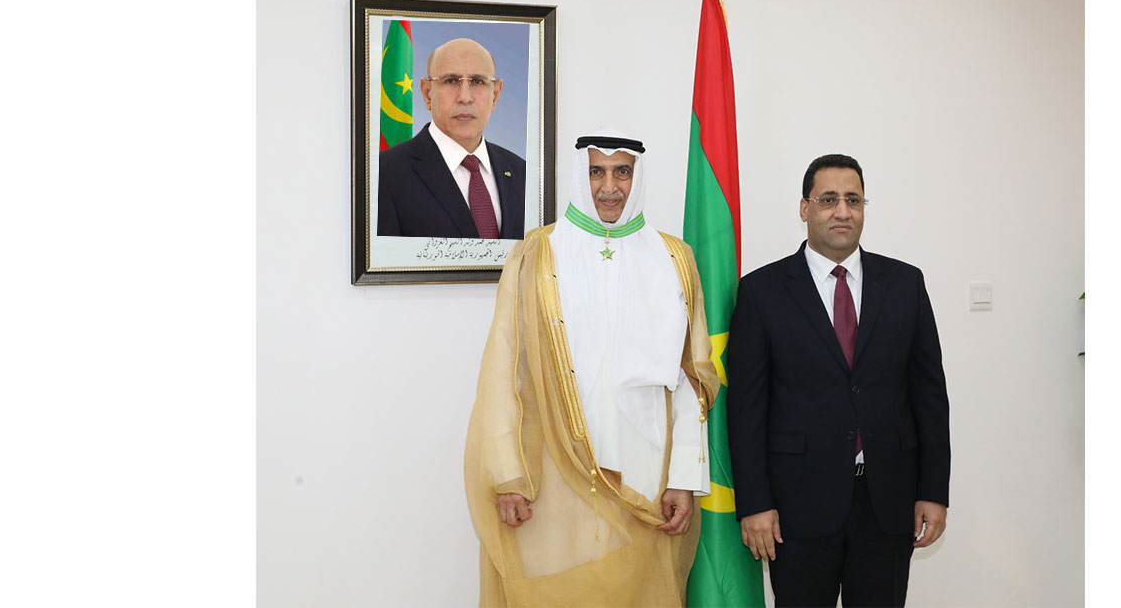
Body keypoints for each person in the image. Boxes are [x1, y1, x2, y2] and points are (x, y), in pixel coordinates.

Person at [463, 131, 719, 606]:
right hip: (554, 476)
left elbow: (692, 379)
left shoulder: (673, 258)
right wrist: (508, 475)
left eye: (622, 171)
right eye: (596, 171)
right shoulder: (538, 253)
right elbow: (505, 368)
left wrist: (684, 477)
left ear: (637, 176)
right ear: (581, 176)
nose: (610, 187)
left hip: (646, 476)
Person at [726, 154, 951, 607]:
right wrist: (754, 503)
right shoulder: (761, 291)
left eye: (853, 200)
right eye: (828, 200)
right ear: (804, 208)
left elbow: (929, 396)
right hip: (796, 508)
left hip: (888, 503)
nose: (842, 211)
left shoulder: (905, 284)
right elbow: (746, 410)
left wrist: (933, 491)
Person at [378, 38, 526, 238]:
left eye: (477, 81)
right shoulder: (384, 174)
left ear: (496, 94)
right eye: (451, 81)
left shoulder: (522, 173)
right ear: (427, 93)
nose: (465, 97)